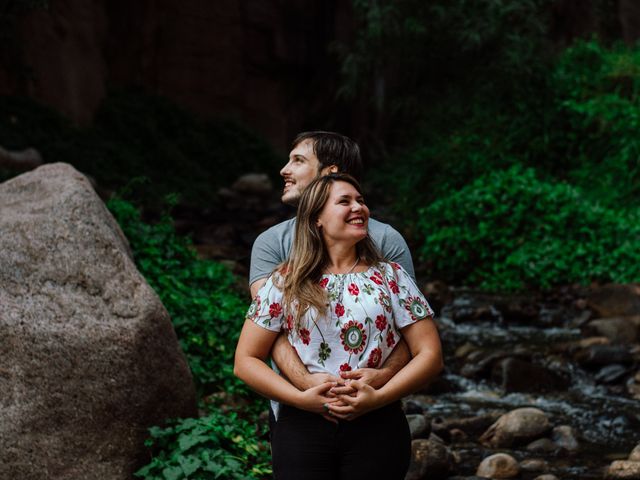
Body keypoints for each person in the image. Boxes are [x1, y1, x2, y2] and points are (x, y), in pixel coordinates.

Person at [235, 173, 443, 479]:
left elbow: (430, 354)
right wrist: (301, 399)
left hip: (378, 422)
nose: (358, 207)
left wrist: (378, 398)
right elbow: (245, 361)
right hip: (302, 425)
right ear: (317, 218)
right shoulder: (286, 281)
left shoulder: (392, 277)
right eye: (344, 201)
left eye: (360, 200)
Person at [250, 131, 416, 396]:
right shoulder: (271, 243)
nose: (284, 170)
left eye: (298, 161)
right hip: (296, 406)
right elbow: (270, 331)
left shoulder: (386, 240)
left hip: (374, 404)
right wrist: (307, 386)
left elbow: (411, 327)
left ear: (330, 172)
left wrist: (382, 378)